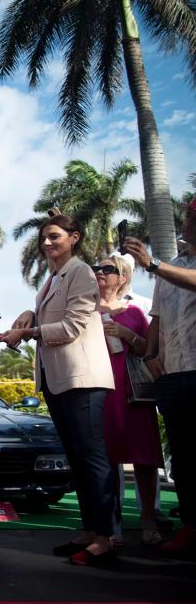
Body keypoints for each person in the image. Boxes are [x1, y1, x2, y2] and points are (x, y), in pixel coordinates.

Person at [0, 214, 117, 566]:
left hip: (83, 380)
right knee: (78, 460)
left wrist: (30, 332)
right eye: (44, 238)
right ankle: (89, 531)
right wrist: (29, 316)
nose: (47, 243)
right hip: (58, 379)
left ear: (74, 238)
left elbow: (72, 326)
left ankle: (107, 537)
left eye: (55, 236)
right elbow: (53, 318)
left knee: (94, 459)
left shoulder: (80, 271)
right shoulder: (52, 278)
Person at [123, 196, 196, 552]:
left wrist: (151, 263)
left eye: (193, 217)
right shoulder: (169, 268)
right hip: (173, 376)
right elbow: (158, 318)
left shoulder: (165, 269)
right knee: (184, 458)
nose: (188, 222)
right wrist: (151, 355)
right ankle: (190, 526)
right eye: (189, 216)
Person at [94, 255, 163, 545]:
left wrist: (126, 334)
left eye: (107, 269)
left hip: (133, 392)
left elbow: (149, 349)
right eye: (96, 269)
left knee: (144, 458)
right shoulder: (84, 311)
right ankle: (112, 526)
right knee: (105, 461)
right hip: (100, 390)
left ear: (122, 278)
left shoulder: (134, 311)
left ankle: (149, 519)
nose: (99, 273)